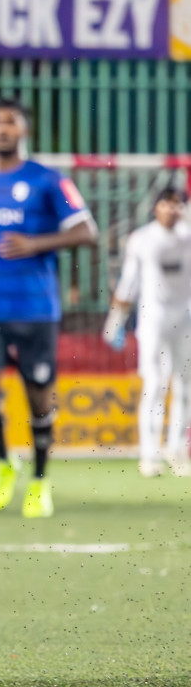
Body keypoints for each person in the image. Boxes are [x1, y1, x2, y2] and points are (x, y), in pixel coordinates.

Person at [0, 100, 97, 519]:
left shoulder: (48, 180)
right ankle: (5, 463)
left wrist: (35, 244)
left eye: (10, 121)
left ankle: (40, 481)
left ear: (23, 129)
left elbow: (87, 231)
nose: (2, 129)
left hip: (36, 309)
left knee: (39, 399)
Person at [103, 187, 191, 477]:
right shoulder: (142, 239)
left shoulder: (187, 235)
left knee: (185, 385)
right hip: (153, 317)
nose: (172, 210)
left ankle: (176, 448)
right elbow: (129, 282)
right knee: (154, 383)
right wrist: (115, 319)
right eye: (167, 204)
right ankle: (149, 454)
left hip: (185, 316)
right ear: (156, 207)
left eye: (178, 205)